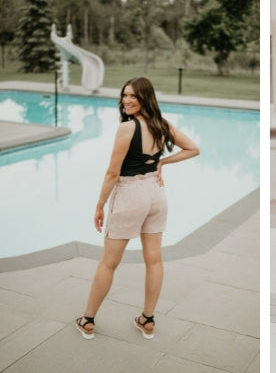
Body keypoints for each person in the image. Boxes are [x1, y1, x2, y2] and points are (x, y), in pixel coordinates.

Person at [75, 77, 200, 340]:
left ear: (146, 98)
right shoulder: (162, 126)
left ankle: (87, 320)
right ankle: (148, 319)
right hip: (156, 194)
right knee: (154, 259)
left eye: (133, 96)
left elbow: (112, 173)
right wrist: (162, 163)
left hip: (131, 194)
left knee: (109, 263)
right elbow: (192, 148)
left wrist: (100, 205)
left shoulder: (126, 128)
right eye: (125, 95)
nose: (127, 100)